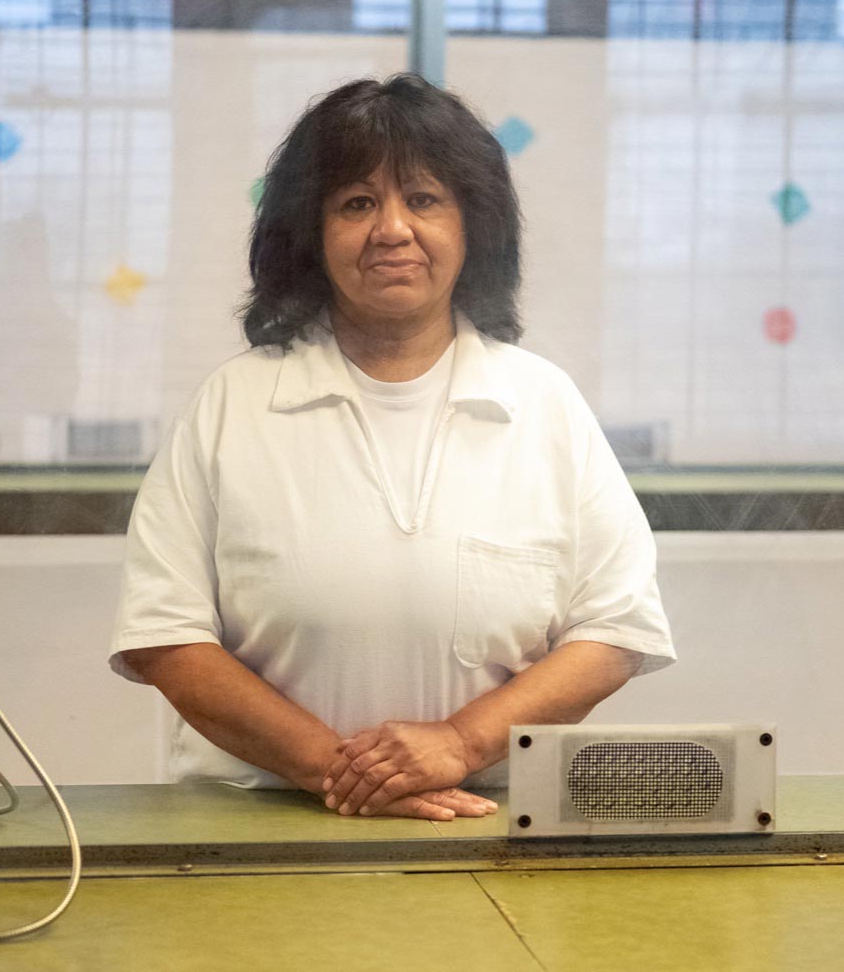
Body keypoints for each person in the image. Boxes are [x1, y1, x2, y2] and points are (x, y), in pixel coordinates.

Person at [109, 73, 675, 821]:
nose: (393, 229)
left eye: (425, 199)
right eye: (356, 203)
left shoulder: (544, 406)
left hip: (486, 820)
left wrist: (461, 744)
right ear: (310, 234)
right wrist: (345, 774)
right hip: (257, 823)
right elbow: (165, 638)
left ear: (474, 227)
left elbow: (615, 629)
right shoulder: (231, 407)